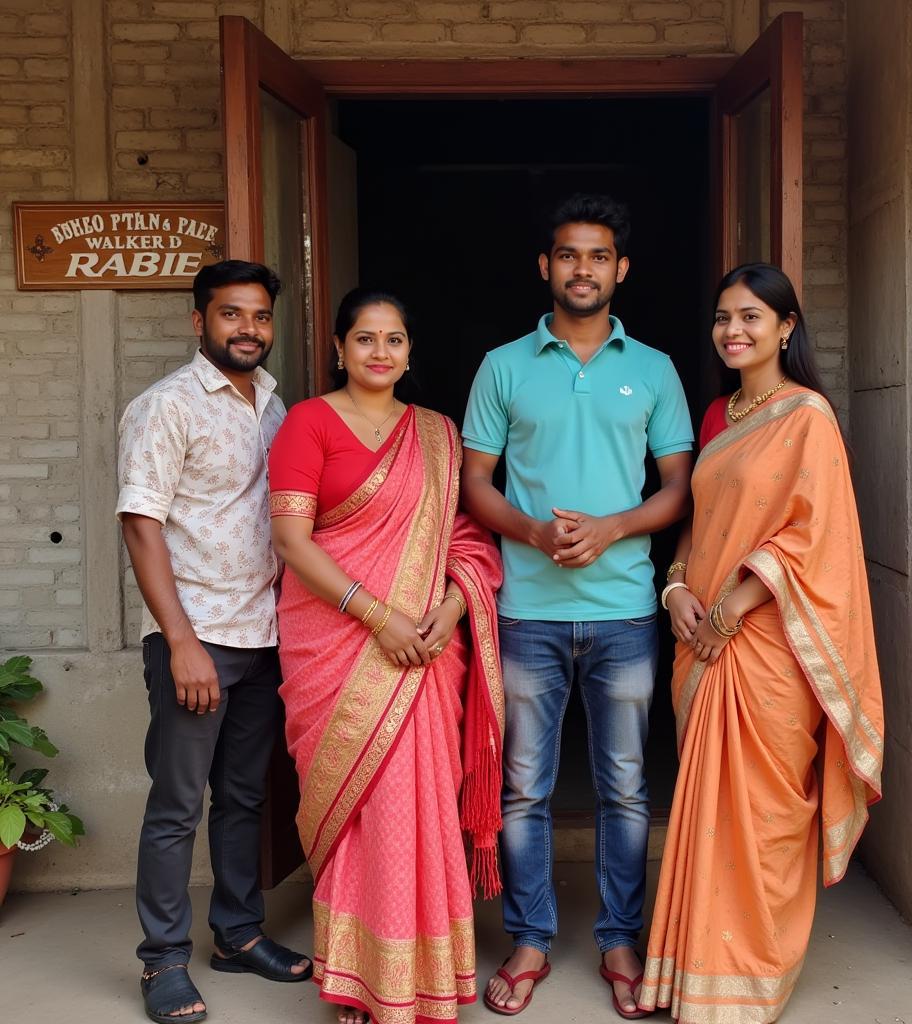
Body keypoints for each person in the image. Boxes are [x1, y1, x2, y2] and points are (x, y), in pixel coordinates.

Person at [461, 194, 694, 1018]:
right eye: (567, 255)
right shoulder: (503, 364)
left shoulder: (656, 367)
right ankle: (529, 939)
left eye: (597, 256)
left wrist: (612, 528)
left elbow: (678, 489)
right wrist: (530, 528)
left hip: (627, 609)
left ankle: (620, 940)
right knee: (524, 790)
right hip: (526, 611)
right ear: (545, 267)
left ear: (620, 269)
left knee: (625, 789)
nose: (582, 269)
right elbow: (474, 482)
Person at [638, 263, 884, 1023]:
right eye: (723, 318)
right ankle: (695, 970)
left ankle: (750, 979)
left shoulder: (807, 416)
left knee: (765, 817)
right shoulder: (718, 418)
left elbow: (816, 536)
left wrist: (732, 608)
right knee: (707, 812)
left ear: (786, 327)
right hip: (704, 638)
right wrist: (676, 587)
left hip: (771, 647)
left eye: (751, 317)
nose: (733, 331)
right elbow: (696, 524)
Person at [267, 288, 505, 1024]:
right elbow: (291, 541)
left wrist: (453, 608)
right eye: (364, 338)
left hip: (426, 650)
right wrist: (379, 618)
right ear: (338, 348)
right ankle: (358, 982)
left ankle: (421, 975)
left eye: (394, 339)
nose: (379, 351)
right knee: (360, 806)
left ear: (409, 352)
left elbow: (467, 539)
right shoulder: (308, 423)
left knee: (419, 804)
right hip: (334, 642)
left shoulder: (437, 433)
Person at [117, 260, 312, 1024]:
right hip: (196, 637)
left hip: (264, 633)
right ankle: (162, 960)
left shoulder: (272, 403)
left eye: (260, 317)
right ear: (200, 322)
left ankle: (236, 934)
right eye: (232, 315)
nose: (249, 330)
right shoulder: (165, 406)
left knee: (243, 797)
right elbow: (141, 525)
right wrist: (181, 642)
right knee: (175, 805)